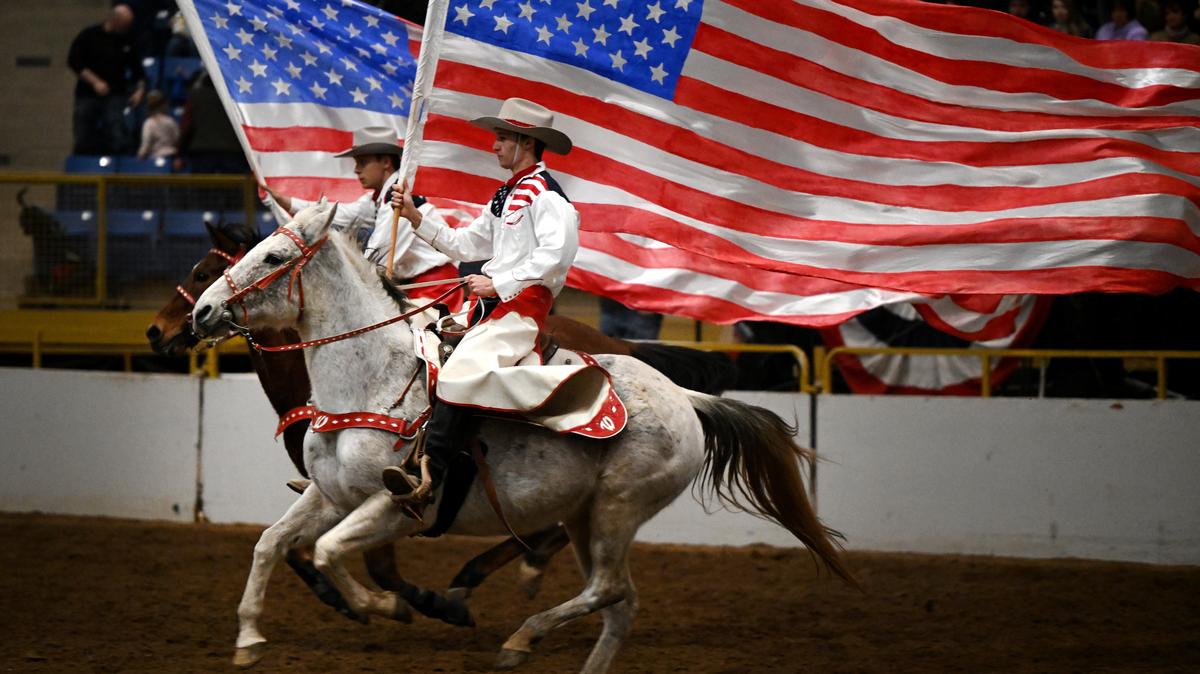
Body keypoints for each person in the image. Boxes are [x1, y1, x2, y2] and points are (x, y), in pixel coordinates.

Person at [383, 98, 580, 503]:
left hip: (521, 310)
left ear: (526, 143)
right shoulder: (507, 194)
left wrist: (499, 282)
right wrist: (417, 218)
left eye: (502, 138)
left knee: (458, 374)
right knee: (419, 354)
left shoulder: (547, 196)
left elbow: (556, 255)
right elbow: (466, 243)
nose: (494, 146)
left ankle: (429, 480)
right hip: (490, 307)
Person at [262, 127, 461, 305]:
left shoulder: (400, 201)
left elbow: (380, 254)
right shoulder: (379, 198)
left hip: (435, 292)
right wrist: (286, 201)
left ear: (385, 162)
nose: (356, 170)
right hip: (412, 288)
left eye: (363, 162)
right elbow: (340, 215)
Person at [67, 4, 145, 155]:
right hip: (87, 94)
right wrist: (95, 81)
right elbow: (74, 61)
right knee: (83, 135)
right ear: (115, 21)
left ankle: (116, 168)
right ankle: (83, 168)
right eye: (125, 24)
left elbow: (138, 71)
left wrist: (140, 90)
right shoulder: (89, 35)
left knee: (116, 133)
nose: (128, 28)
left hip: (115, 95)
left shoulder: (126, 41)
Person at [137, 90, 179, 160]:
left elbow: (146, 143)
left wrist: (140, 155)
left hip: (157, 157)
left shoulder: (149, 123)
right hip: (171, 156)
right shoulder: (170, 121)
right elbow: (177, 139)